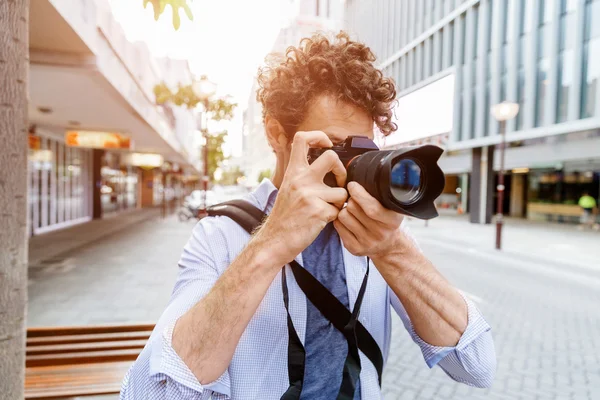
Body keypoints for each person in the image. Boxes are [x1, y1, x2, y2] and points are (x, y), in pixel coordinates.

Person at [120, 32, 496, 400]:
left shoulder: (377, 231)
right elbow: (154, 392)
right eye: (330, 148)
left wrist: (392, 250)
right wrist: (270, 246)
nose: (346, 168)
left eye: (361, 152)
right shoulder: (220, 236)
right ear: (275, 133)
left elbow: (475, 365)